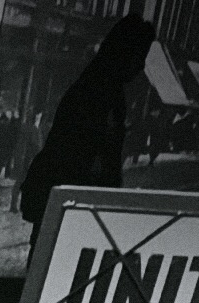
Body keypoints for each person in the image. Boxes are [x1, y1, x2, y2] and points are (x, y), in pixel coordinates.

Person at [18, 13, 155, 245]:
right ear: (123, 53)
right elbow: (87, 159)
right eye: (139, 55)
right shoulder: (100, 92)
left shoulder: (101, 86)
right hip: (71, 210)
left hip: (70, 207)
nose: (141, 66)